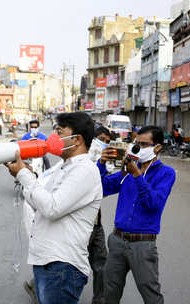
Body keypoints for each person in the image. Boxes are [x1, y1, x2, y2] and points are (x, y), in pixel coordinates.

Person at [6, 112, 103, 304]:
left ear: (77, 139)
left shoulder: (84, 170)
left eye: (60, 131)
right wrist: (25, 176)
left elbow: (52, 208)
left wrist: (25, 176)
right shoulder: (63, 167)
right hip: (47, 261)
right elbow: (38, 203)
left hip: (62, 265)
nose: (54, 136)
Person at [97, 126, 176, 304]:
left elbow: (153, 203)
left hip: (143, 243)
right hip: (117, 240)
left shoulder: (166, 173)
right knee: (110, 292)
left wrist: (137, 175)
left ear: (157, 148)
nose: (139, 148)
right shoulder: (128, 171)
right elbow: (101, 188)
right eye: (136, 143)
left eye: (144, 144)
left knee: (151, 295)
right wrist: (101, 164)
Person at [85, 126, 112, 304]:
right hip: (80, 223)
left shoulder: (103, 160)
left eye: (108, 141)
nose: (105, 143)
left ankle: (99, 299)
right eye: (102, 138)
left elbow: (104, 186)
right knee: (68, 262)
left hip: (96, 222)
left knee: (101, 264)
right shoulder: (83, 158)